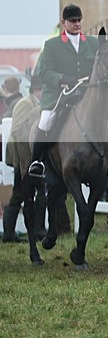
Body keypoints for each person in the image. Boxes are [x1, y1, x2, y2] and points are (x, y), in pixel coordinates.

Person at [28, 4, 108, 180]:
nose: (76, 24)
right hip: (60, 94)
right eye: (72, 21)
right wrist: (62, 79)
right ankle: (38, 162)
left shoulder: (93, 42)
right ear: (63, 22)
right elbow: (44, 72)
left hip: (85, 93)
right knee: (46, 120)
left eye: (79, 20)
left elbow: (101, 65)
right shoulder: (51, 45)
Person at [3, 76, 45, 242]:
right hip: (21, 156)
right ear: (37, 89)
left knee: (22, 193)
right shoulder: (25, 104)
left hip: (27, 157)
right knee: (18, 194)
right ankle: (9, 233)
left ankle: (21, 231)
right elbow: (18, 131)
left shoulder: (36, 104)